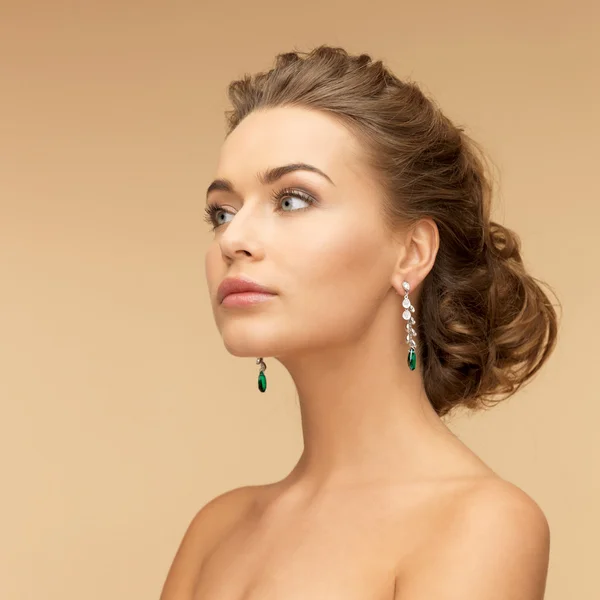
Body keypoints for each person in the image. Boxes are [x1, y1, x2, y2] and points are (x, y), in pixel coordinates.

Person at [160, 45, 560, 600]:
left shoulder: (480, 523)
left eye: (293, 200)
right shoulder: (217, 530)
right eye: (222, 211)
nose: (233, 239)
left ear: (411, 252)